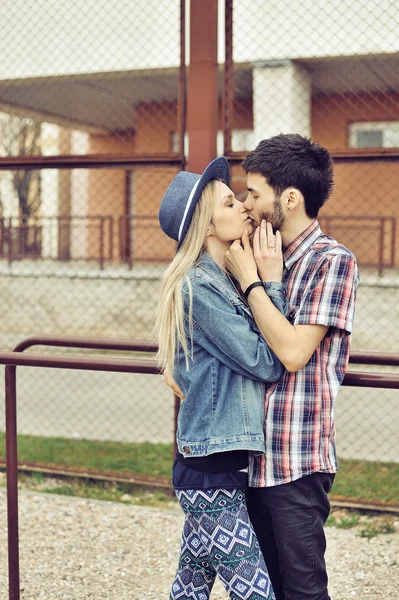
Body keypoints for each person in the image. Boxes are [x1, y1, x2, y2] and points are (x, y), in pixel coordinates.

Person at [223, 134, 359, 600]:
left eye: (255, 193)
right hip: (250, 458)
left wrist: (253, 283)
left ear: (290, 198)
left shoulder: (332, 262)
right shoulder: (258, 254)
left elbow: (296, 353)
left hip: (296, 461)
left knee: (302, 590)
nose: (247, 203)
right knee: (261, 590)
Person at [156, 156, 289, 600]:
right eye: (231, 203)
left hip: (218, 468)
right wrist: (269, 284)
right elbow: (266, 361)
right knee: (255, 593)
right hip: (210, 474)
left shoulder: (223, 281)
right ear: (207, 227)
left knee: (190, 589)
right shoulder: (200, 287)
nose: (244, 209)